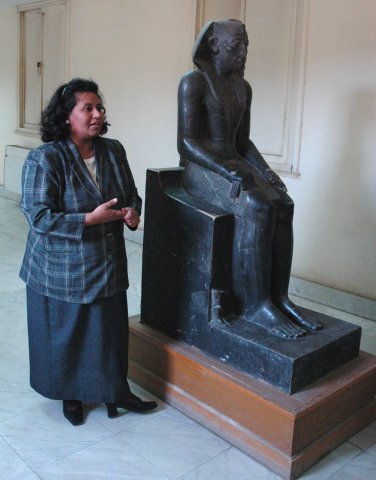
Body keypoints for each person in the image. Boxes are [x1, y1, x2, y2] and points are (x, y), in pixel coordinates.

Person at [20, 78, 157, 426]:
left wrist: (131, 211)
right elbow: (38, 216)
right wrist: (88, 219)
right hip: (60, 267)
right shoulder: (45, 158)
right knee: (71, 333)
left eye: (100, 107)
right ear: (67, 116)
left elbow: (131, 194)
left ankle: (116, 392)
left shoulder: (113, 150)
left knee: (109, 331)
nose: (97, 114)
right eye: (88, 108)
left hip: (107, 260)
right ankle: (71, 394)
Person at [178, 19, 322, 339]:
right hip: (200, 169)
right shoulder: (194, 82)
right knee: (258, 206)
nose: (243, 52)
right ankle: (256, 305)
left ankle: (279, 298)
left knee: (283, 203)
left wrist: (266, 171)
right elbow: (186, 144)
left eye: (246, 45)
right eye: (236, 45)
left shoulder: (243, 88)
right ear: (214, 46)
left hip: (234, 163)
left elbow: (242, 144)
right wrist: (228, 171)